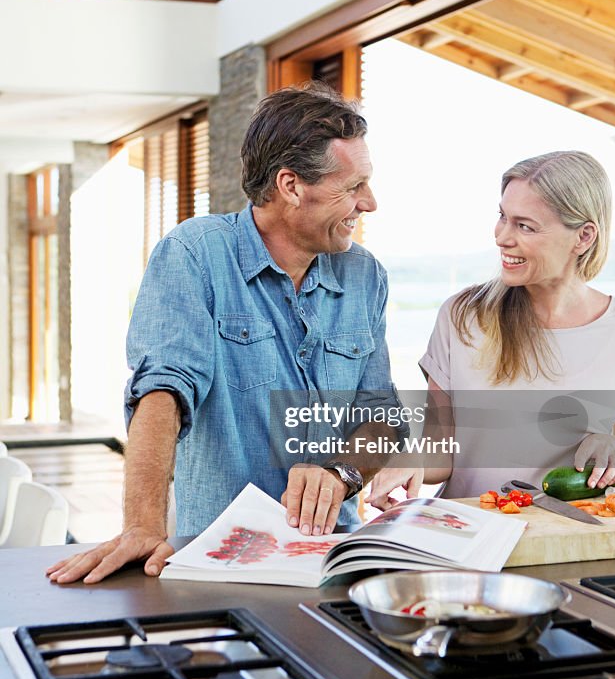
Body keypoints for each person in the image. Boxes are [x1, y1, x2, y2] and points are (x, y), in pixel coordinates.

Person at [48, 84, 401, 584]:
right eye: (353, 187)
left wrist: (340, 474)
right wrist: (142, 525)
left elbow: (381, 418)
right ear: (291, 185)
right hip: (220, 559)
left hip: (336, 558)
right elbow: (163, 391)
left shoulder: (365, 274)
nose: (369, 203)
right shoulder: (196, 254)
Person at [369, 150, 615, 509]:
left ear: (584, 237)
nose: (501, 237)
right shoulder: (463, 317)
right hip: (467, 532)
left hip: (569, 537)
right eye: (502, 217)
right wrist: (409, 461)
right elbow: (441, 449)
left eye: (524, 226)